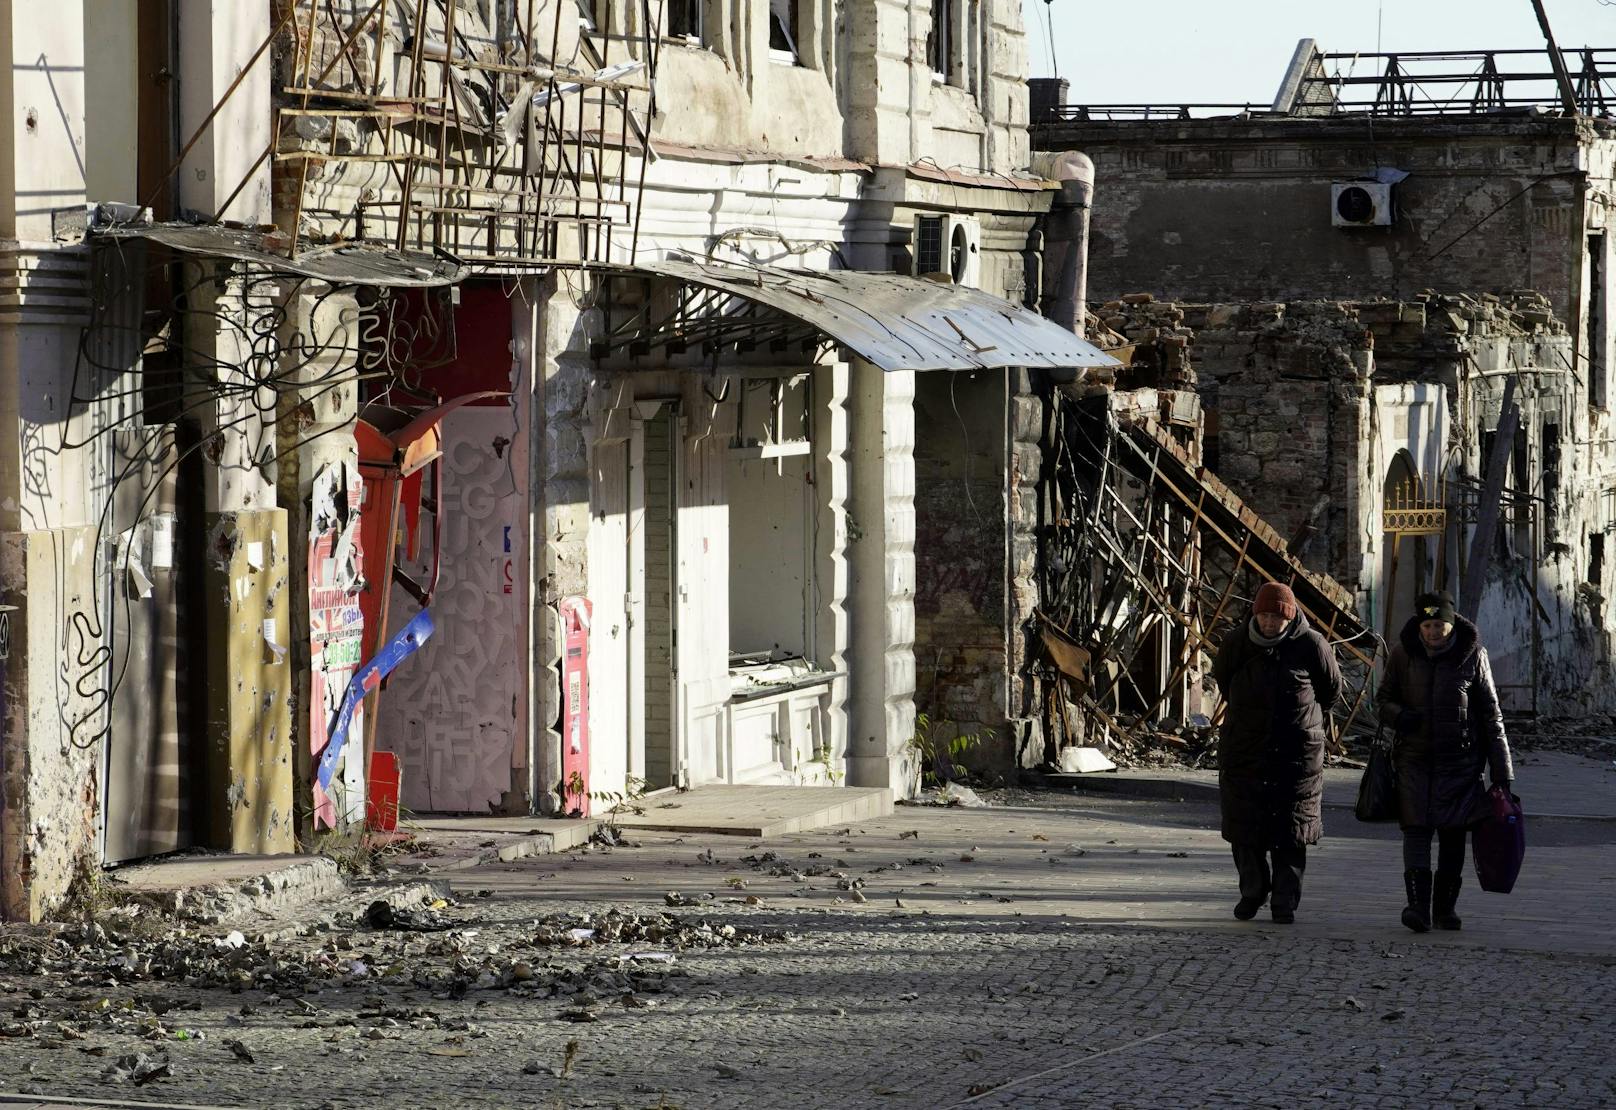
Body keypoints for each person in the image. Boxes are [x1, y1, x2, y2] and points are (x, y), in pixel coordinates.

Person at [1376, 590, 1513, 933]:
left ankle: (1445, 909)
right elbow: (1383, 701)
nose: (1434, 632)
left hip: (1461, 764)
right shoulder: (1401, 655)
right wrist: (1399, 715)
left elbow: (1491, 715)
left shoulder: (1473, 656)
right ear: (1419, 627)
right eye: (1428, 625)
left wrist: (1502, 770)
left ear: (1451, 626)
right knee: (1416, 832)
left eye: (1440, 626)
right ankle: (1418, 908)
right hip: (1414, 761)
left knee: (1452, 837)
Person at [1213, 581, 1343, 924]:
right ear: (1256, 615)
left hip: (1295, 753)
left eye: (1277, 618)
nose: (1270, 623)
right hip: (1245, 749)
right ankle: (1252, 892)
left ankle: (1284, 900)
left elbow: (1330, 689)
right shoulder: (1236, 642)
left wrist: (1304, 723)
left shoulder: (1311, 644)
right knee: (1245, 827)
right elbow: (1223, 681)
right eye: (1265, 616)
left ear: (1289, 617)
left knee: (1290, 830)